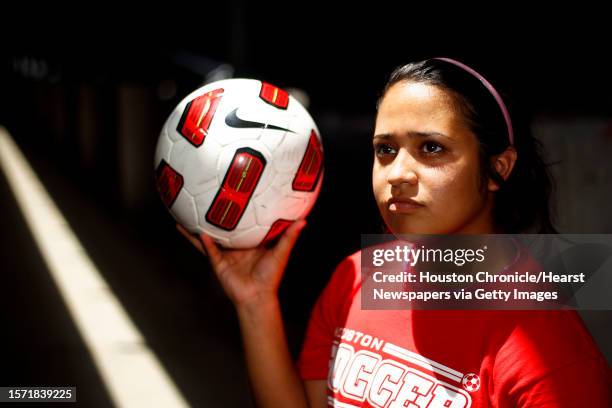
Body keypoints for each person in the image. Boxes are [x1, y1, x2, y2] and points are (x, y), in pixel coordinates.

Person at [177, 58, 612, 407]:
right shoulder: (355, 278)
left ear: (498, 168)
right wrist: (255, 305)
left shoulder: (552, 357)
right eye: (385, 150)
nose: (398, 174)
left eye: (432, 148)